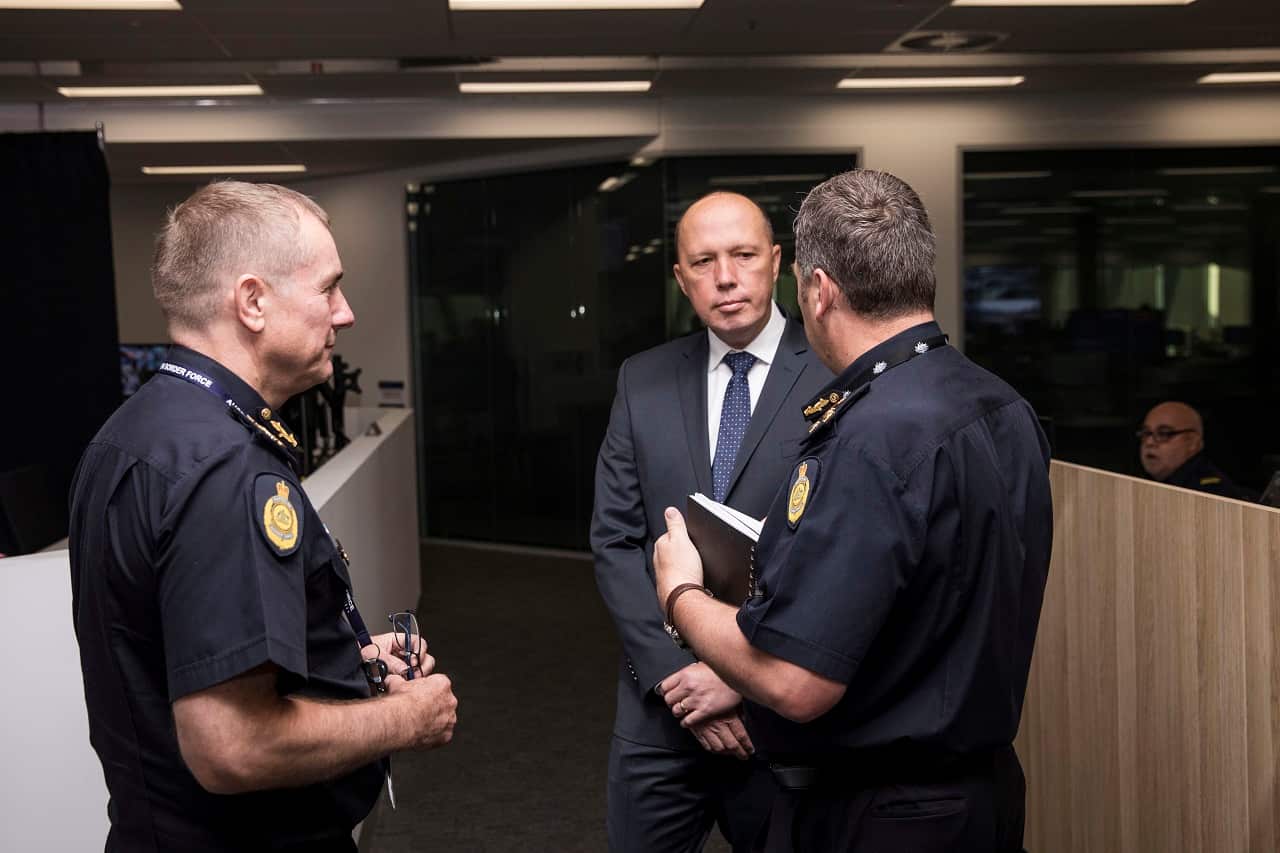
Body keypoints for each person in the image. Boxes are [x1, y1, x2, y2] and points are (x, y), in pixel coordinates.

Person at [653, 169, 1053, 852]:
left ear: (817, 289)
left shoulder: (870, 437)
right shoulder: (1002, 405)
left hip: (884, 813)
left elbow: (795, 680)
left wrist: (680, 590)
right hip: (982, 795)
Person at [68, 181, 458, 852]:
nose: (347, 313)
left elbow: (176, 653)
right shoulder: (227, 469)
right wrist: (403, 718)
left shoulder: (132, 432)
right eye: (329, 288)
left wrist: (350, 663)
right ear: (252, 301)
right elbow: (232, 745)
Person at [592, 191, 833, 852]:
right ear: (681, 278)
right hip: (659, 718)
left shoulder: (833, 379)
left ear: (777, 262)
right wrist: (678, 676)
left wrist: (739, 678)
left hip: (781, 719)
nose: (725, 276)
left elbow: (840, 558)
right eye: (703, 261)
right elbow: (614, 541)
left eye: (743, 255)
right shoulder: (640, 382)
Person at [1138, 401, 1253, 500]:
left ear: (1193, 442)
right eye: (1146, 433)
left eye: (1164, 433)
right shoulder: (1138, 484)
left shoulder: (1209, 493)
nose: (1150, 442)